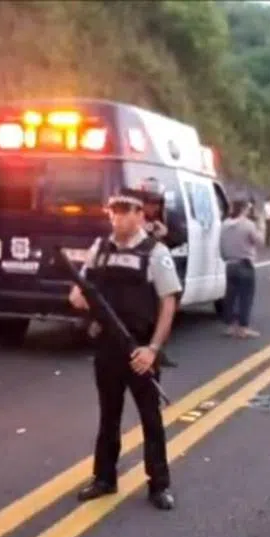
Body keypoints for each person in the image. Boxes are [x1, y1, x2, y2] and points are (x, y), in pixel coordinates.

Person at [69, 190, 182, 510]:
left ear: (141, 215)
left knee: (150, 420)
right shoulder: (100, 248)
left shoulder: (155, 252)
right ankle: (104, 478)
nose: (119, 217)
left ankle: (159, 485)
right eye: (114, 211)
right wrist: (79, 298)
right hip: (107, 346)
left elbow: (168, 303)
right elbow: (80, 290)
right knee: (109, 416)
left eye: (126, 211)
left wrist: (153, 349)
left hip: (140, 349)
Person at [219, 199, 263, 338]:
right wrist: (260, 227)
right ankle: (243, 327)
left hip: (230, 264)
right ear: (244, 209)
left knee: (230, 297)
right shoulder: (248, 225)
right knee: (245, 297)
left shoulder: (224, 225)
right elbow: (259, 242)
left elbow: (221, 245)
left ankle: (231, 326)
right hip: (245, 264)